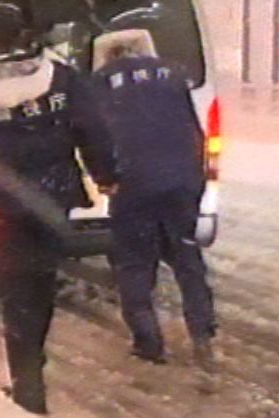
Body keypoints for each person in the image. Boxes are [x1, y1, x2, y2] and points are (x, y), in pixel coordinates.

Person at [0, 3, 117, 414]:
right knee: (41, 281)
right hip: (56, 197)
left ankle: (27, 379)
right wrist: (105, 174)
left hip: (8, 200)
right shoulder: (58, 75)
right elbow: (91, 127)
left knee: (16, 288)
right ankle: (34, 352)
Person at [90, 30, 218, 370]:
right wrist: (196, 181)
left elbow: (98, 137)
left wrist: (106, 178)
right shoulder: (174, 74)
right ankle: (202, 335)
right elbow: (195, 131)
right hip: (180, 181)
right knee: (188, 259)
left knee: (134, 263)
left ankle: (149, 342)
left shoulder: (101, 82)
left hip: (133, 183)